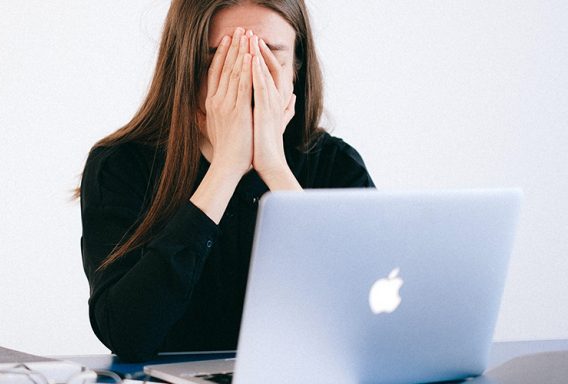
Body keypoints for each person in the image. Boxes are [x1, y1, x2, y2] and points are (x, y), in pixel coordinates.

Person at [77, 0, 374, 362]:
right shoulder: (119, 165)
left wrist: (274, 167)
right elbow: (127, 333)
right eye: (222, 59)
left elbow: (365, 320)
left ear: (297, 67)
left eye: (268, 56)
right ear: (185, 67)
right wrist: (226, 168)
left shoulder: (336, 165)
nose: (246, 77)